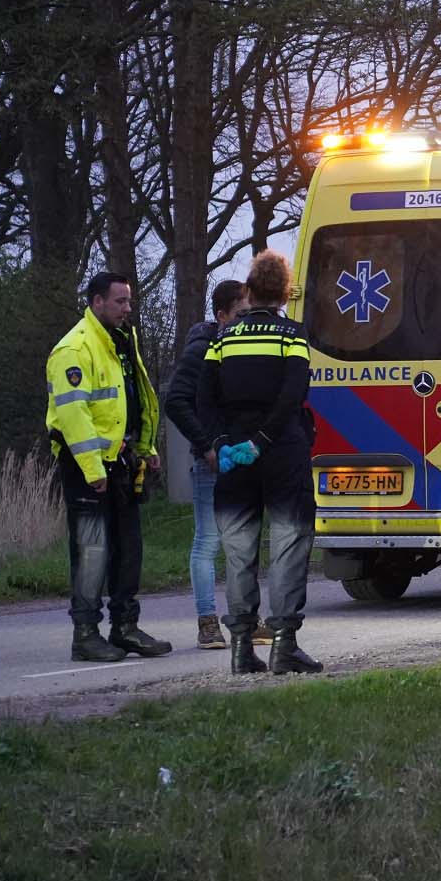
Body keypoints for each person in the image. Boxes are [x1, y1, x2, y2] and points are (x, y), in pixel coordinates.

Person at [196, 250, 322, 674]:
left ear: (248, 290)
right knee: (288, 544)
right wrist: (263, 439)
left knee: (238, 552)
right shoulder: (292, 335)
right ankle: (283, 646)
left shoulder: (222, 338)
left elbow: (204, 397)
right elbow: (294, 393)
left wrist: (222, 443)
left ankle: (240, 649)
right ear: (285, 293)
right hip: (282, 451)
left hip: (234, 460)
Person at [45, 272, 172, 662]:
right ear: (97, 301)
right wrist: (93, 469)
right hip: (88, 466)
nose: (127, 309)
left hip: (122, 459)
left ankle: (125, 628)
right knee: (91, 551)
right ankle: (85, 634)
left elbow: (133, 399)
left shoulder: (120, 341)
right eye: (120, 302)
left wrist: (146, 445)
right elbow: (73, 415)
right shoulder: (74, 349)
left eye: (129, 302)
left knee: (127, 549)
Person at [164, 278, 248, 651]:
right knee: (208, 541)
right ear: (222, 314)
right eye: (241, 314)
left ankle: (246, 620)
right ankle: (207, 623)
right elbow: (176, 402)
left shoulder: (243, 346)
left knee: (242, 544)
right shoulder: (201, 349)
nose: (248, 321)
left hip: (242, 460)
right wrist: (206, 446)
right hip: (212, 462)